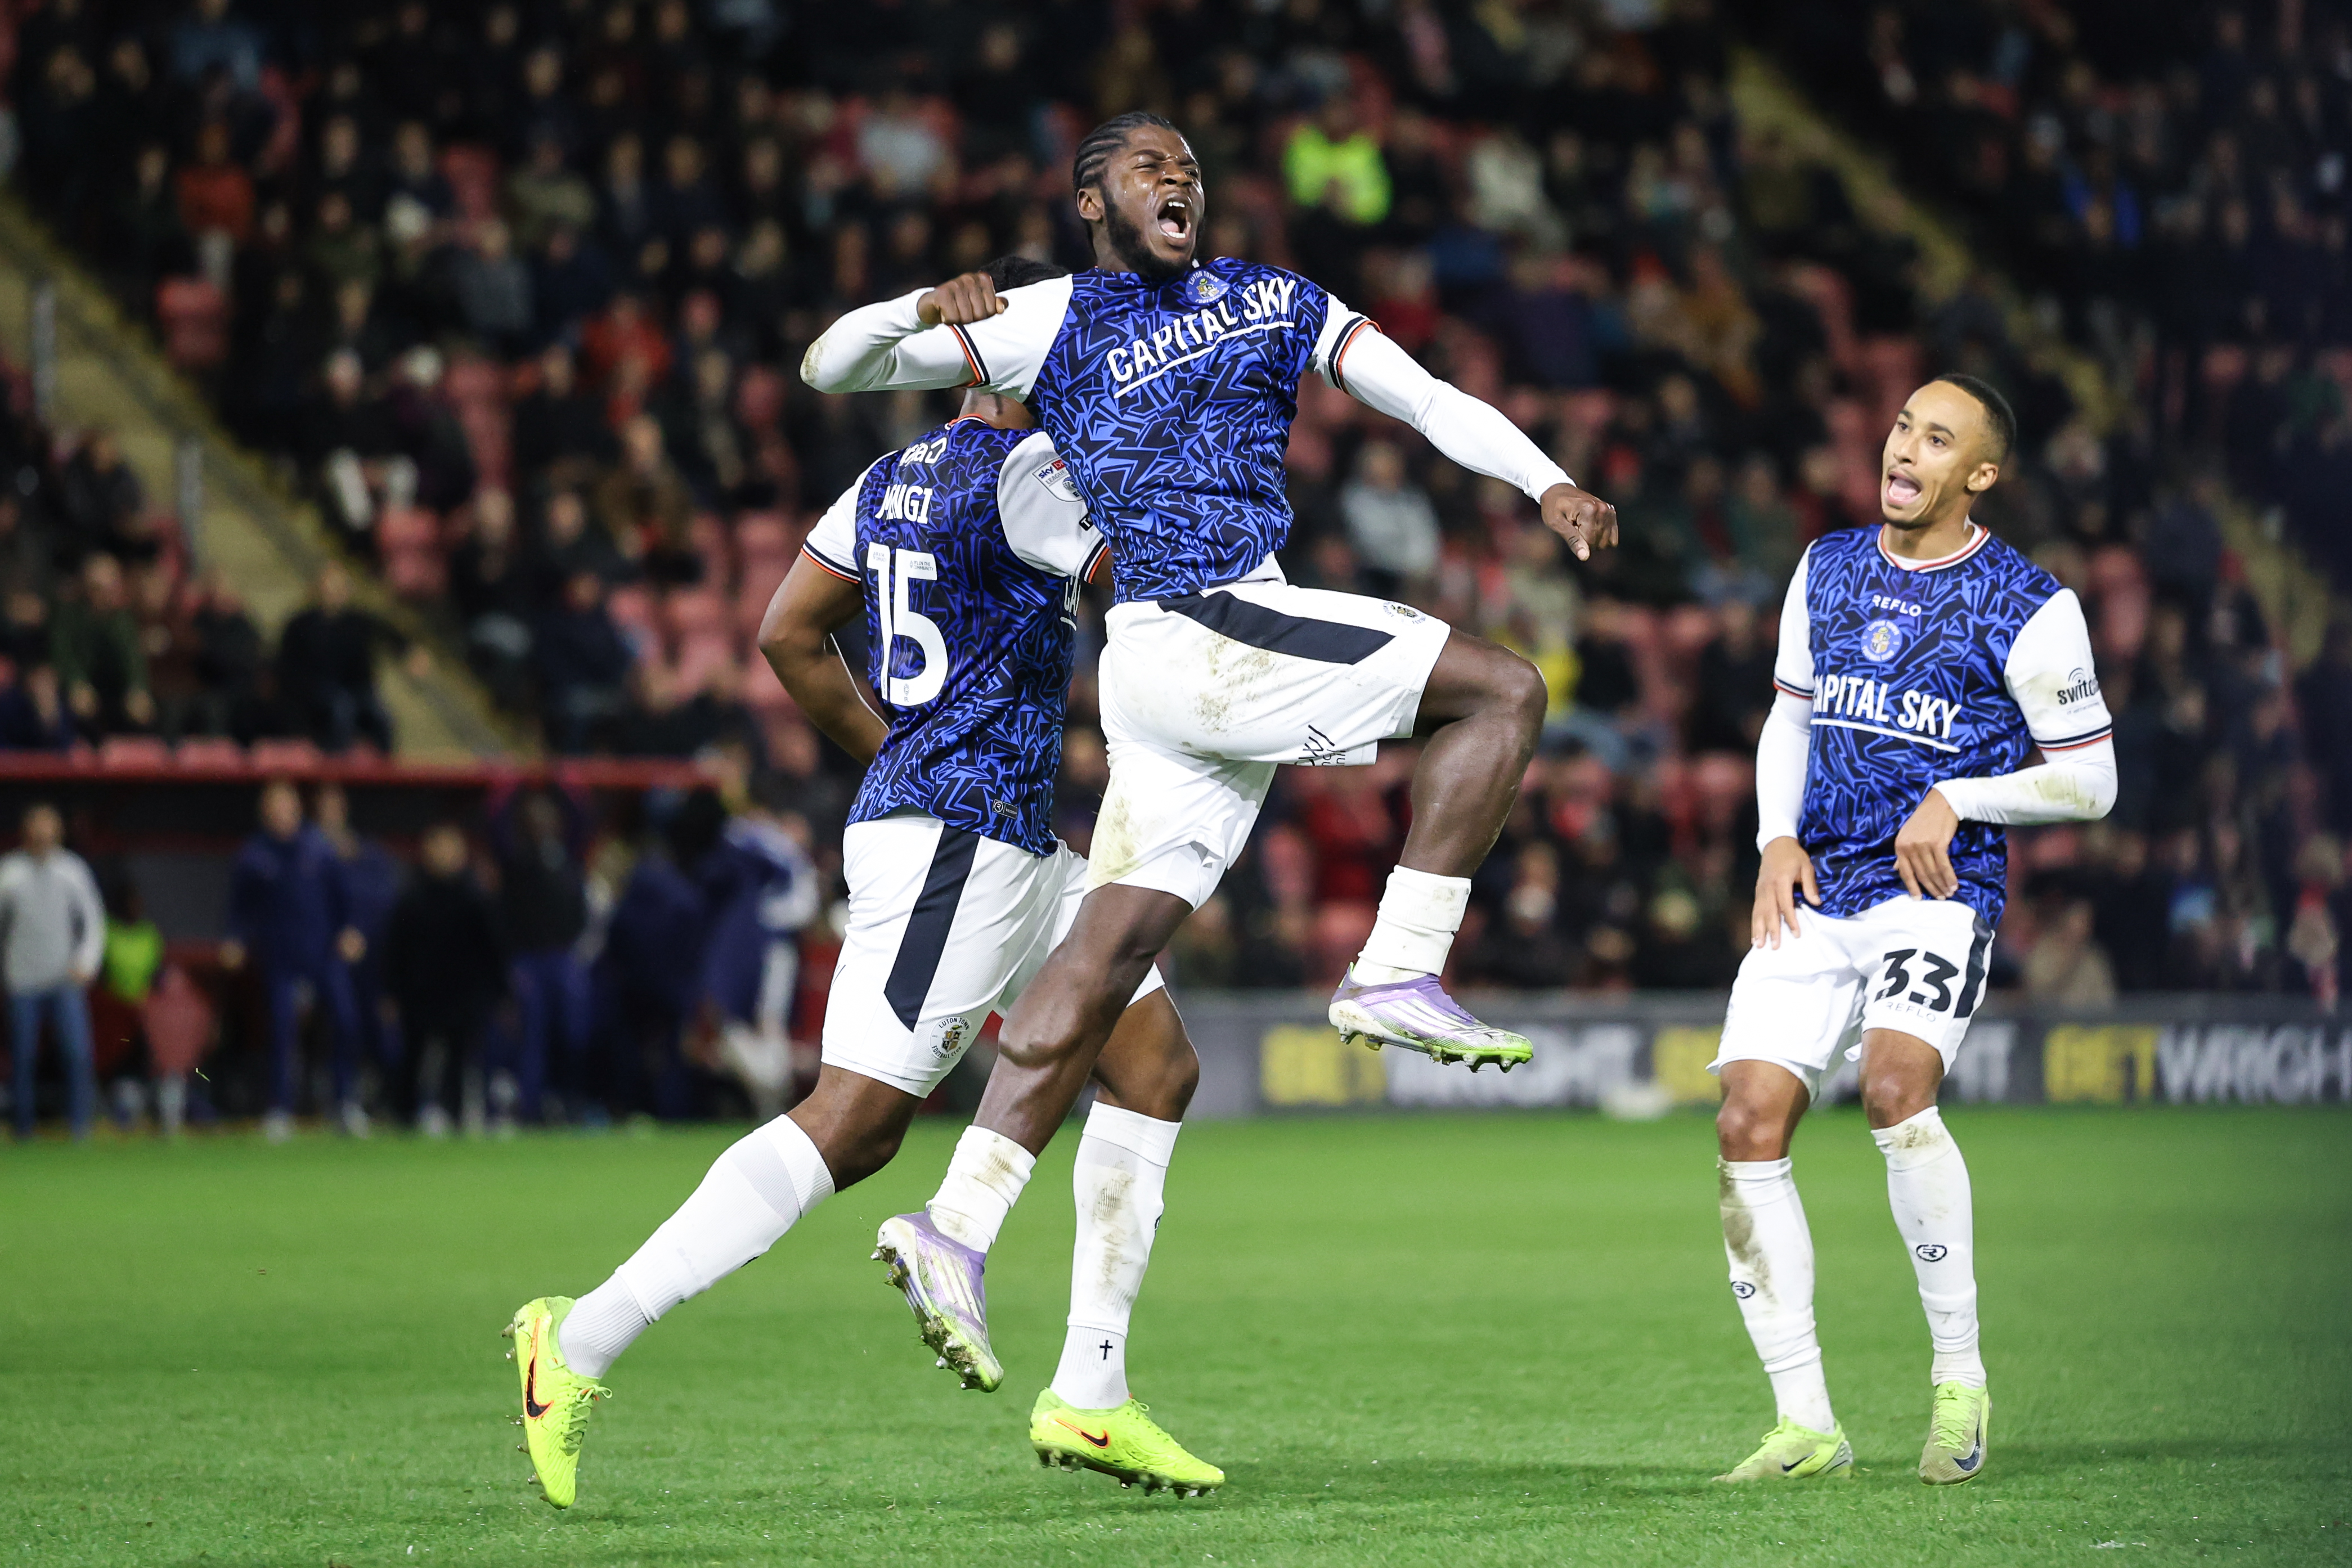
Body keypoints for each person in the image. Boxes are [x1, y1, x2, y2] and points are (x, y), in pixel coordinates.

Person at [507, 256, 1219, 1511]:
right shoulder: (1037, 479)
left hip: (996, 833)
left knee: (1153, 1061)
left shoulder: (883, 478)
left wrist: (888, 744)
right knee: (855, 1122)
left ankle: (1092, 1393)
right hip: (955, 841)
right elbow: (1161, 596)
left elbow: (786, 628)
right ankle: (577, 1338)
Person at [801, 111, 1617, 1097]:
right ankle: (1400, 961)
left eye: (1189, 166)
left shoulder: (1271, 297)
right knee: (1504, 690)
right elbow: (831, 366)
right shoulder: (1051, 316)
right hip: (1194, 623)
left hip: (1168, 667)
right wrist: (921, 306)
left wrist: (1547, 482)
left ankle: (962, 1216)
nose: (1178, 177)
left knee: (1104, 963)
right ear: (1093, 202)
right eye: (1149, 165)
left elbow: (1428, 397)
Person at [1709, 377, 2117, 1487]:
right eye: (1899, 427)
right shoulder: (1825, 564)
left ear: (1977, 475)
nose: (1903, 449)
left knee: (1895, 1091)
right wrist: (1771, 836)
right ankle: (1805, 1425)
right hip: (1814, 885)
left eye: (1935, 439)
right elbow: (1787, 715)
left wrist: (1962, 798)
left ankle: (1957, 1380)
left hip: (1934, 892)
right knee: (1745, 1119)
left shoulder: (2028, 604)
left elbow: (2090, 781)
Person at [222, 779, 367, 1141]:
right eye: (272, 807)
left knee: (346, 1021)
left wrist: (351, 929)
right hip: (280, 957)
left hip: (324, 954)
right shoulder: (254, 856)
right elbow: (240, 910)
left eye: (285, 806)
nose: (279, 814)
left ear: (298, 810)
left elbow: (345, 898)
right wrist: (235, 940)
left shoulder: (320, 849)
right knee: (282, 1031)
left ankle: (345, 1104)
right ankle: (280, 1109)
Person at [385, 823, 506, 1136]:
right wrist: (390, 992)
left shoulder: (476, 900)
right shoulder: (411, 898)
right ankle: (406, 1115)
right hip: (420, 994)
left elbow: (494, 949)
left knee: (458, 1059)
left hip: (461, 995)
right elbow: (395, 949)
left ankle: (454, 1115)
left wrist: (499, 992)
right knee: (413, 1055)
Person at [0, 803, 105, 1140]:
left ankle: (80, 1127)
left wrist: (86, 961)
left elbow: (93, 921)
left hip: (64, 978)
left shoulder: (73, 870)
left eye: (49, 830)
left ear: (59, 833)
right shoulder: (10, 872)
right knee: (23, 1057)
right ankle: (23, 1130)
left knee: (76, 1054)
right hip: (22, 979)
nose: (43, 837)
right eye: (37, 830)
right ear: (27, 833)